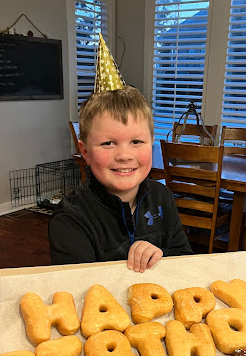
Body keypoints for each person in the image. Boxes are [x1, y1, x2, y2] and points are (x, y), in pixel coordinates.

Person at [48, 42, 193, 271]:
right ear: (85, 151)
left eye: (136, 141)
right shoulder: (70, 219)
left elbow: (184, 261)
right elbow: (83, 295)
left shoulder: (162, 197)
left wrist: (161, 257)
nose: (124, 155)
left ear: (151, 143)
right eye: (108, 143)